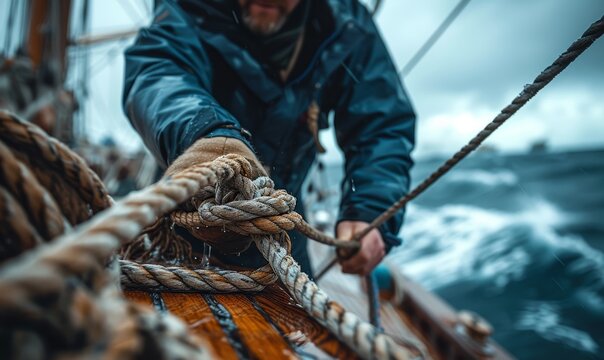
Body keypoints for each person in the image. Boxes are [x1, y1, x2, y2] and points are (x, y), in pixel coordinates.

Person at [123, 0, 416, 277]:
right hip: (178, 233)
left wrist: (370, 207)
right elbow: (157, 72)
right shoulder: (188, 8)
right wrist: (207, 137)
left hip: (285, 243)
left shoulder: (345, 25)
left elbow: (380, 124)